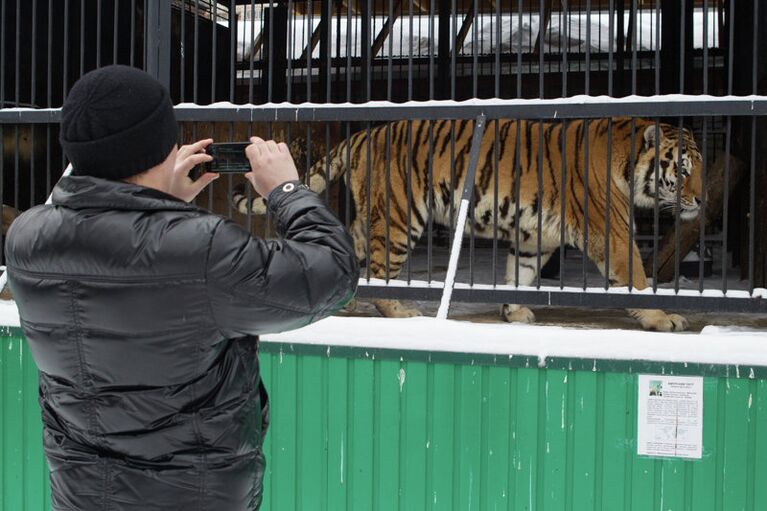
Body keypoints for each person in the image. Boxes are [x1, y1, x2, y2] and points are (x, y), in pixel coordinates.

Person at [5, 65, 359, 510]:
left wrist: (160, 205)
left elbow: (112, 248)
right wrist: (285, 189)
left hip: (81, 496)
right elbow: (332, 274)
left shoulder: (27, 239)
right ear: (164, 146)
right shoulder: (201, 249)